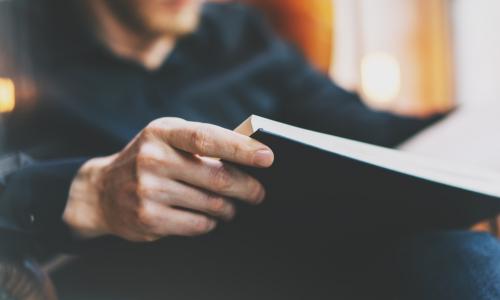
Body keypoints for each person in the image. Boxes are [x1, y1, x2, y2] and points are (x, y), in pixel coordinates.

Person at [0, 0, 499, 299]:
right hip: (147, 284)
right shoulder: (17, 40)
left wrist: (477, 132)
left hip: (312, 274)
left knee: (464, 258)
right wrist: (91, 192)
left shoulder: (240, 36)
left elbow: (368, 130)